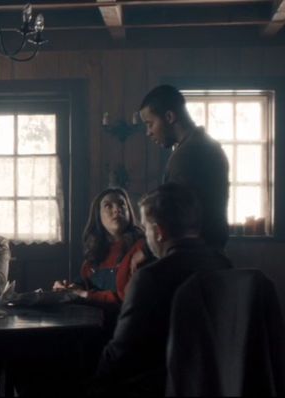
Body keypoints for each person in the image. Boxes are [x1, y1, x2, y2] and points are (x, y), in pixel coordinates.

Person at [93, 183, 232, 396]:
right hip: (219, 382)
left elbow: (121, 353)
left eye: (146, 228)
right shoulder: (223, 265)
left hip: (161, 385)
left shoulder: (150, 277)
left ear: (158, 232)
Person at [139, 84, 229, 250]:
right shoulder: (206, 146)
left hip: (193, 255)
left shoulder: (189, 154)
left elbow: (176, 214)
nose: (148, 132)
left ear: (169, 117)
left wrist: (145, 252)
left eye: (150, 124)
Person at [53, 187, 146, 307]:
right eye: (108, 206)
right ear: (98, 216)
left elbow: (127, 298)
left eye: (122, 204)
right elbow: (84, 283)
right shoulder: (94, 254)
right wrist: (68, 288)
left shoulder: (142, 248)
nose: (117, 210)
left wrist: (85, 294)